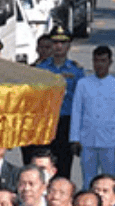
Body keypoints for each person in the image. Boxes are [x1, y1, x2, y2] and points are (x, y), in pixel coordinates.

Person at [70, 45, 115, 190]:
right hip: (87, 139)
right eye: (96, 61)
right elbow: (77, 111)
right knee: (88, 180)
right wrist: (74, 138)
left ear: (110, 62)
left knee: (109, 180)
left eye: (103, 61)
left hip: (109, 140)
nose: (99, 65)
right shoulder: (83, 84)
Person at [33, 26, 83, 180]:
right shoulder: (40, 69)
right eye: (55, 42)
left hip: (66, 122)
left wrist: (78, 135)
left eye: (63, 42)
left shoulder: (76, 71)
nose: (59, 46)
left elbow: (80, 103)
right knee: (42, 165)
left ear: (69, 46)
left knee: (63, 166)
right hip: (45, 122)